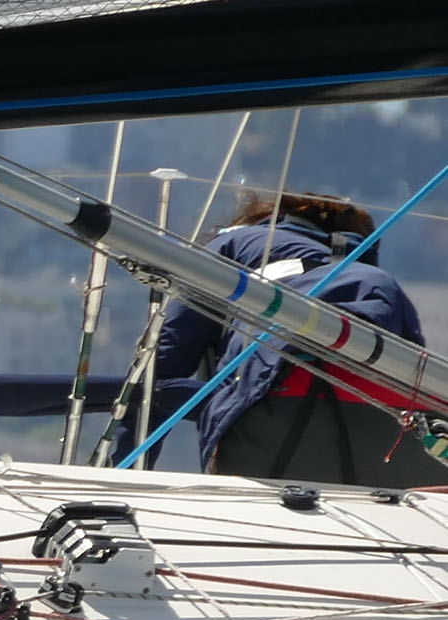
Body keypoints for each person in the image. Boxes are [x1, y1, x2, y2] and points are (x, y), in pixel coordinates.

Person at [155, 192, 448, 486]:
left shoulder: (239, 241)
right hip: (393, 441)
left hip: (270, 423)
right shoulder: (379, 282)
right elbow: (414, 377)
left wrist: (125, 463)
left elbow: (163, 365)